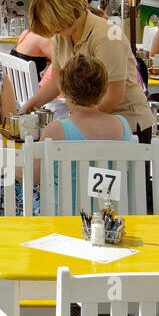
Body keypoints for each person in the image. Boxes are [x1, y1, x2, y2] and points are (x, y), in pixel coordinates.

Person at [19, 0, 156, 141]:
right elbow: (57, 81)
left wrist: (77, 121)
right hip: (92, 123)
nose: (52, 31)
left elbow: (114, 95)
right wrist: (27, 108)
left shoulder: (106, 37)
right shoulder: (63, 34)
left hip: (127, 127)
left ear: (68, 13)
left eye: (54, 25)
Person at [20, 54, 135, 214]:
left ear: (64, 90)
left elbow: (33, 177)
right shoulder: (123, 125)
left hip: (63, 219)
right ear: (103, 89)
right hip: (109, 220)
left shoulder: (56, 131)